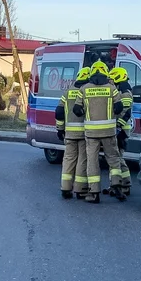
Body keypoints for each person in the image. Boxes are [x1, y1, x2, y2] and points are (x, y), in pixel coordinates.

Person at [73, 60, 124, 203]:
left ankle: (94, 193)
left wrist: (86, 111)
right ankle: (116, 185)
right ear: (105, 71)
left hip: (91, 133)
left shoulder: (84, 88)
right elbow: (119, 107)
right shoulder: (111, 88)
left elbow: (76, 110)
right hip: (109, 131)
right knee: (113, 159)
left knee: (92, 161)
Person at [56, 67, 91, 199]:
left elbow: (59, 111)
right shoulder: (86, 92)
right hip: (84, 133)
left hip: (69, 133)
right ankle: (80, 189)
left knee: (68, 159)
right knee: (82, 159)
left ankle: (65, 187)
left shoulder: (68, 92)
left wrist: (60, 128)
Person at [109, 66, 133, 195]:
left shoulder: (124, 92)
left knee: (117, 158)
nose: (110, 82)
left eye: (112, 79)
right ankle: (115, 184)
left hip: (121, 131)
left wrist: (118, 127)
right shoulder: (122, 89)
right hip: (119, 129)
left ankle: (125, 184)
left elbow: (125, 112)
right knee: (114, 158)